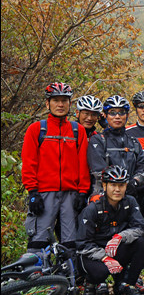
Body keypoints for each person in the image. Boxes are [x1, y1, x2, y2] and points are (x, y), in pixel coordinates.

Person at [22, 82, 90, 254]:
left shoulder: (77, 131)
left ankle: (67, 271)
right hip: (44, 193)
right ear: (48, 103)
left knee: (70, 244)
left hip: (70, 194)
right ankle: (37, 271)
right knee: (38, 241)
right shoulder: (36, 129)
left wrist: (82, 192)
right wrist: (33, 192)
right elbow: (29, 163)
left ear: (70, 103)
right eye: (56, 100)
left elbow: (83, 164)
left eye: (64, 100)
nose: (60, 104)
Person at [77, 165, 144, 295]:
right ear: (104, 186)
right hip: (93, 254)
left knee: (142, 243)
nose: (117, 189)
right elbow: (82, 244)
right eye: (113, 185)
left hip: (115, 248)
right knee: (100, 272)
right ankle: (90, 283)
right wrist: (105, 258)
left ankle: (128, 284)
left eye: (121, 185)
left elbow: (141, 227)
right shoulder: (93, 208)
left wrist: (120, 237)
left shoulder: (130, 202)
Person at [87, 95, 144, 198]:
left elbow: (141, 169)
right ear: (106, 115)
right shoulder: (98, 140)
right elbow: (98, 170)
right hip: (104, 196)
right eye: (112, 113)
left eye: (121, 112)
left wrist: (135, 182)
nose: (117, 116)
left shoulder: (134, 142)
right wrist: (121, 184)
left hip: (131, 195)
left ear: (127, 115)